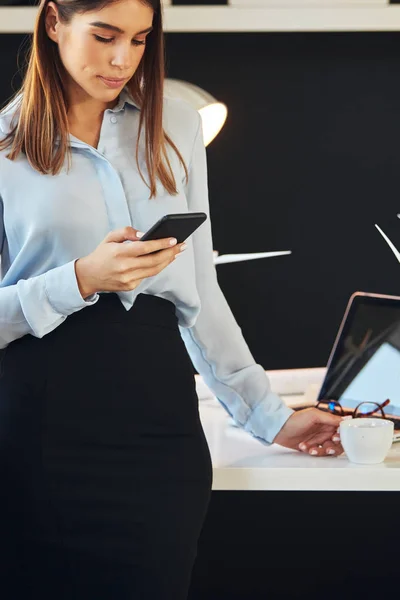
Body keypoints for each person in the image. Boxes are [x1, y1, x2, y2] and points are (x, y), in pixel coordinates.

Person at [0, 0, 343, 598]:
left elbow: (198, 288)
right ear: (53, 22)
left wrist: (269, 415)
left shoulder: (177, 123)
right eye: (104, 35)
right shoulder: (4, 144)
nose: (120, 59)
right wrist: (80, 278)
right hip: (35, 428)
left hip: (156, 428)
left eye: (139, 40)